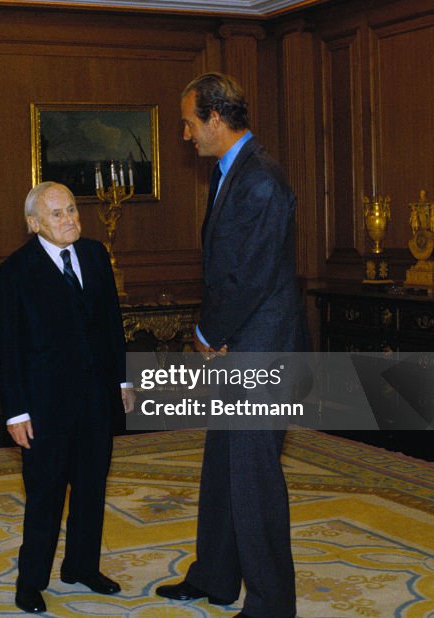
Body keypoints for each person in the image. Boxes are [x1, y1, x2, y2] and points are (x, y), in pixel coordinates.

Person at [156, 72, 308, 618]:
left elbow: (252, 274)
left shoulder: (261, 178)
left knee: (254, 477)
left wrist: (206, 333)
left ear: (216, 119)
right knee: (223, 464)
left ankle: (271, 603)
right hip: (238, 344)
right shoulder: (232, 172)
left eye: (189, 123)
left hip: (261, 347)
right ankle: (216, 577)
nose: (185, 135)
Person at [0, 181, 135, 614]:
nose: (70, 218)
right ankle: (30, 581)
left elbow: (113, 323)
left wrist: (124, 382)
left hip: (95, 399)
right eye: (57, 213)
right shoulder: (15, 270)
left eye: (72, 209)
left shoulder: (94, 255)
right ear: (34, 224)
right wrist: (15, 411)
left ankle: (82, 568)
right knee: (46, 495)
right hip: (43, 405)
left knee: (92, 488)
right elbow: (8, 347)